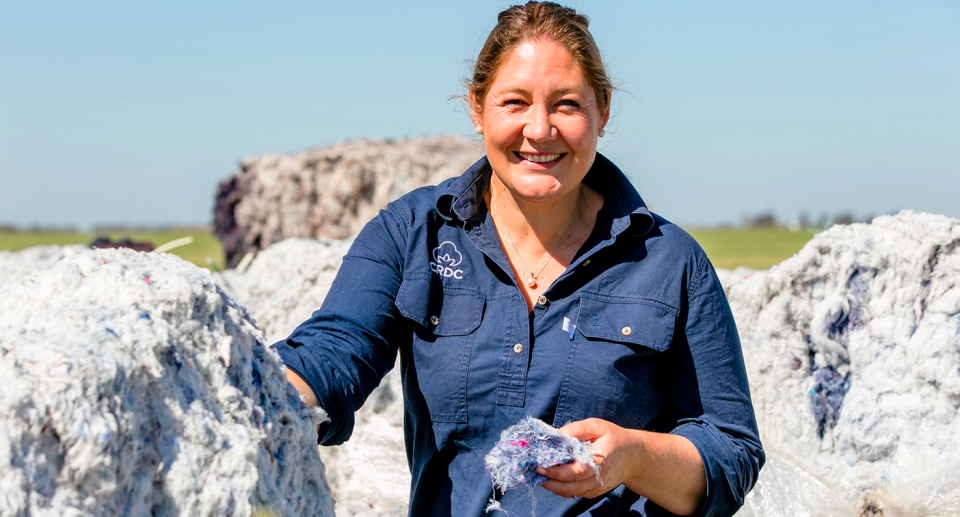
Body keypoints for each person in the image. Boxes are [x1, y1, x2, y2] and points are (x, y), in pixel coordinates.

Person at [273, 2, 764, 516]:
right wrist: (257, 395)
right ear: (477, 106)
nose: (539, 129)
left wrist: (633, 458)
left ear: (604, 108)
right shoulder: (411, 232)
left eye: (567, 105)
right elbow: (332, 354)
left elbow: (730, 454)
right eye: (514, 102)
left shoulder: (670, 262)